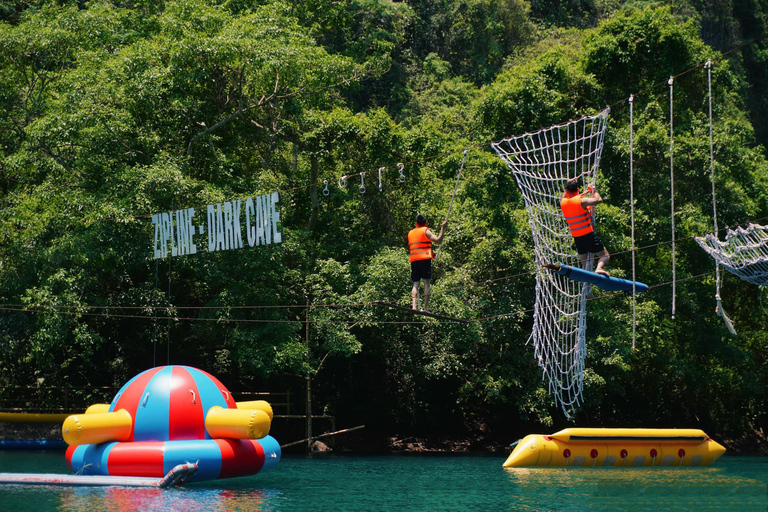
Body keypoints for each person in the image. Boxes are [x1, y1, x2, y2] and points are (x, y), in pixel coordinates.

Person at [560, 179, 610, 276]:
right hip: (588, 235)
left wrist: (569, 183)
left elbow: (565, 194)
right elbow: (598, 200)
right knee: (605, 256)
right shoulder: (581, 201)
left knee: (584, 262)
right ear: (578, 190)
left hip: (577, 237)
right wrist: (593, 190)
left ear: (566, 191)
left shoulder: (563, 202)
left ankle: (584, 275)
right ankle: (599, 268)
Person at [408, 214, 447, 312]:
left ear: (416, 223)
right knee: (426, 283)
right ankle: (425, 308)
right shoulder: (426, 231)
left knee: (415, 284)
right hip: (424, 259)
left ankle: (414, 306)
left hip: (414, 259)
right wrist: (443, 228)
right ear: (426, 223)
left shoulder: (410, 233)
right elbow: (438, 240)